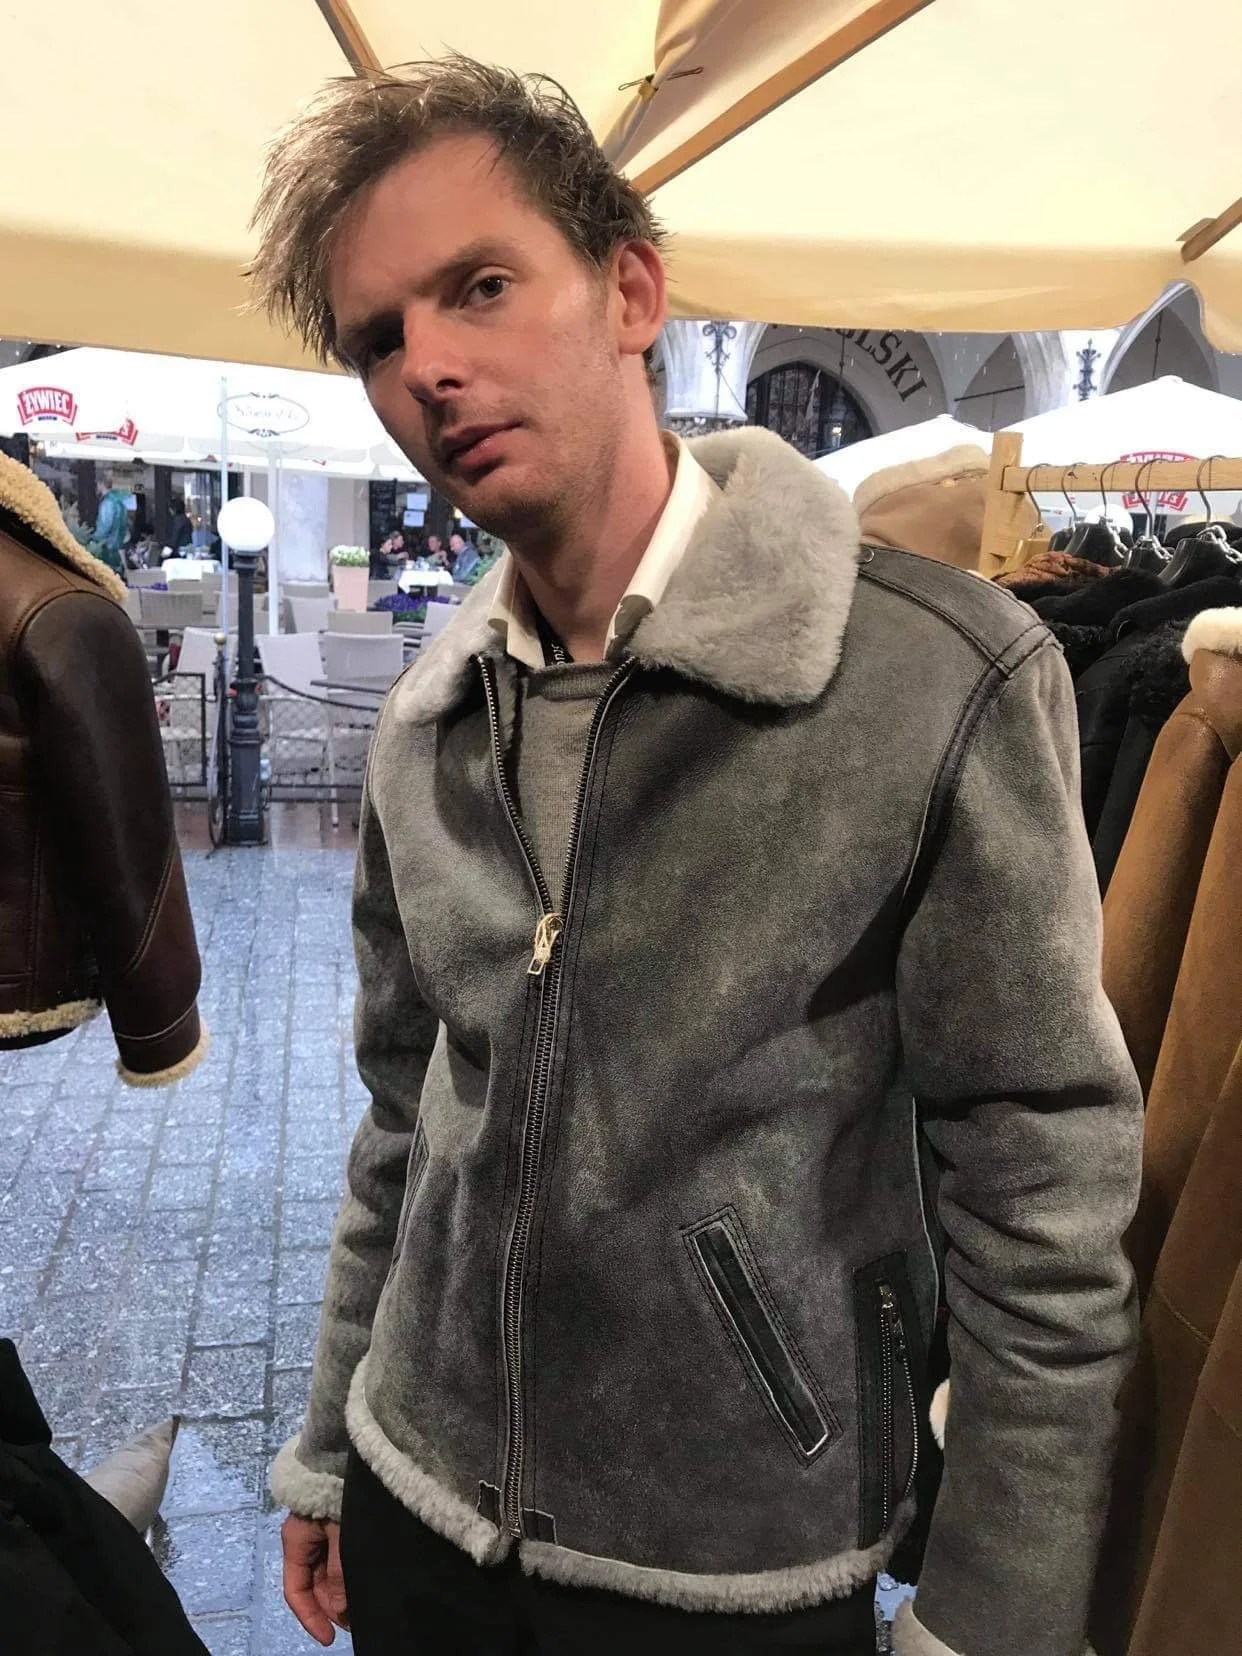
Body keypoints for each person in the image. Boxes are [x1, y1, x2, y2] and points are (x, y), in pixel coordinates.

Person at [251, 58, 1142, 1656]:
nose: (432, 367)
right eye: (382, 338)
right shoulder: (428, 724)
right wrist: (329, 1445)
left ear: (631, 292)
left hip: (731, 1565)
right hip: (421, 1507)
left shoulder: (933, 681)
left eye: (480, 286)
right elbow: (406, 1122)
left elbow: (1041, 1191)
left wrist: (995, 1616)